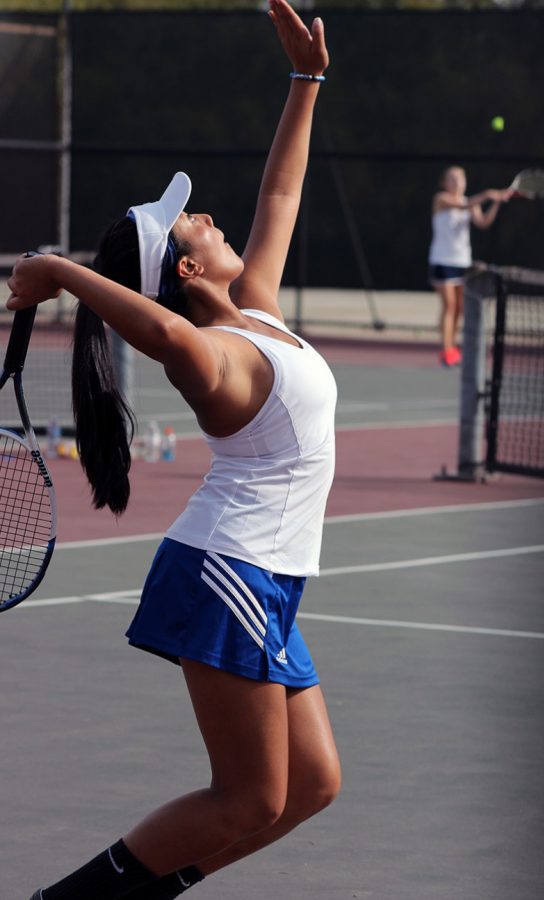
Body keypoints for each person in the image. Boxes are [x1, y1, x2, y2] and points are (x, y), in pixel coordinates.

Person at [8, 3, 341, 898]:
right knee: (249, 796)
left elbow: (280, 193)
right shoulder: (213, 357)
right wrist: (64, 273)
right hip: (227, 568)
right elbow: (159, 334)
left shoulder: (257, 313)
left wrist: (305, 81)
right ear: (187, 272)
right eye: (191, 225)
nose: (210, 218)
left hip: (266, 575)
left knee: (311, 786)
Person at [428, 166, 513, 367]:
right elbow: (463, 206)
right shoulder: (441, 199)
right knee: (448, 306)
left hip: (462, 261)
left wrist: (496, 203)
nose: (456, 182)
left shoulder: (470, 203)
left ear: (465, 182)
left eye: (459, 178)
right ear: (444, 183)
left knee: (459, 308)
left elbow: (483, 223)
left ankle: (453, 347)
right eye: (451, 179)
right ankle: (446, 350)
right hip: (442, 261)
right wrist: (487, 194)